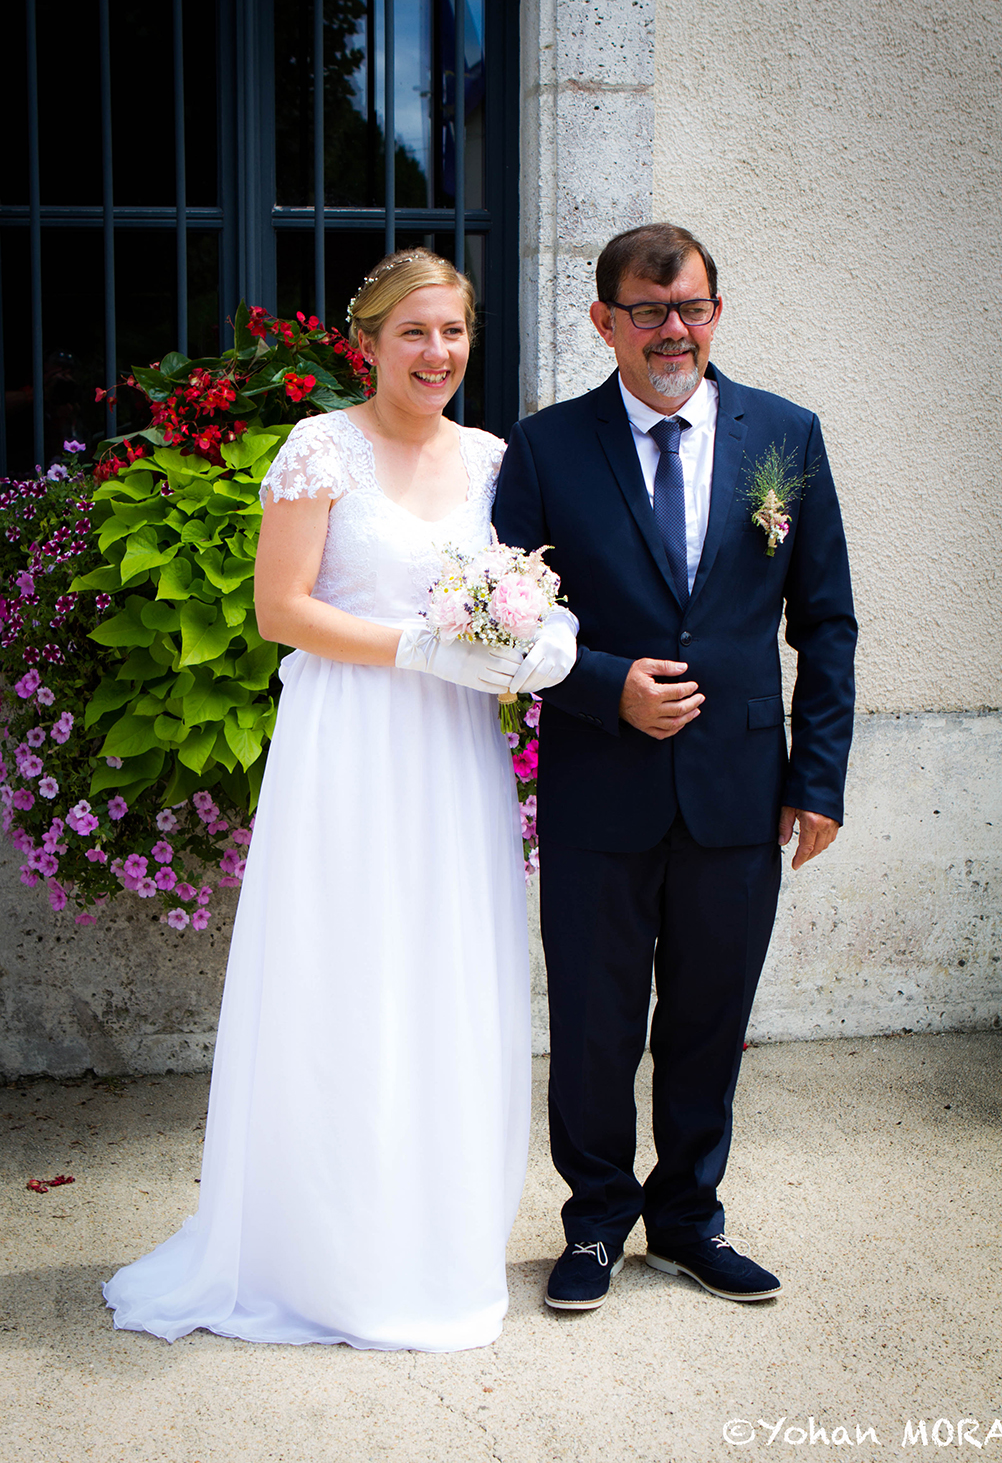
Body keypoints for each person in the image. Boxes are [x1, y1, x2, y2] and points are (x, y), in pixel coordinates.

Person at [103, 249, 574, 1351]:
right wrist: (416, 647)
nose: (437, 353)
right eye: (413, 331)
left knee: (442, 974)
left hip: (452, 753)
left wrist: (538, 640)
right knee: (345, 974)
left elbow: (515, 590)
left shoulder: (493, 460)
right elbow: (281, 610)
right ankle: (321, 1253)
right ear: (368, 343)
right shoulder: (320, 449)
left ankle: (429, 1240)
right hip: (351, 745)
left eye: (453, 331)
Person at [493, 223, 857, 1311]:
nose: (673, 331)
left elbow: (825, 621)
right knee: (594, 1025)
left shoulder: (784, 435)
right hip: (599, 786)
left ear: (716, 312)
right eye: (648, 311)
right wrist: (606, 687)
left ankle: (690, 1222)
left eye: (691, 307)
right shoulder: (546, 448)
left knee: (708, 1020)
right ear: (604, 321)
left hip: (740, 791)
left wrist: (818, 779)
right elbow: (508, 622)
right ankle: (597, 1223)